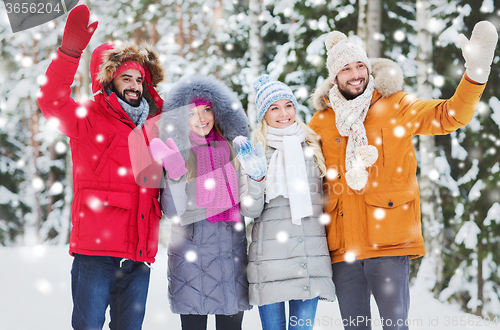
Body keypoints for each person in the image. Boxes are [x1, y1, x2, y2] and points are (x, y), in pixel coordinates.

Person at [307, 23, 498, 330]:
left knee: (395, 327)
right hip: (343, 250)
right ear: (334, 76)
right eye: (345, 68)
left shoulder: (395, 105)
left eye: (360, 65)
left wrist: (475, 74)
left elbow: (450, 115)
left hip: (388, 243)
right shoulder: (321, 121)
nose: (355, 74)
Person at [38, 5, 165, 330]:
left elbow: (170, 181)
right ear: (110, 79)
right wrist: (69, 53)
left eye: (140, 78)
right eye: (127, 77)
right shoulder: (89, 116)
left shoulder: (154, 127)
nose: (135, 85)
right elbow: (51, 101)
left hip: (138, 256)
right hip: (96, 253)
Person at [149, 75, 258, 330]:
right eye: (192, 113)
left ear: (217, 111)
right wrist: (175, 175)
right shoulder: (179, 154)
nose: (201, 119)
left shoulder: (233, 151)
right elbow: (174, 212)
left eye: (207, 109)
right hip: (191, 266)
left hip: (230, 261)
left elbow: (250, 207)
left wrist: (257, 176)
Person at [233, 75, 336, 330]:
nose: (283, 113)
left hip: (308, 259)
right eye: (274, 108)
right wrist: (256, 177)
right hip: (270, 262)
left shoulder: (312, 145)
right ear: (263, 115)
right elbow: (250, 209)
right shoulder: (255, 150)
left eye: (288, 105)